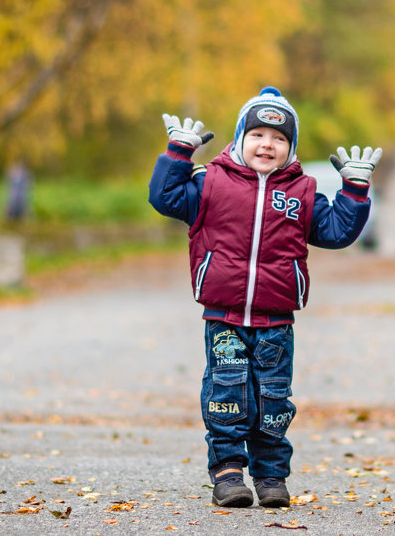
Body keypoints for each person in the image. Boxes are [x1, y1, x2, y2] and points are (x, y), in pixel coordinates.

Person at [148, 86, 381, 509]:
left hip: (276, 318)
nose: (267, 145)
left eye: (279, 139)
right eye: (257, 135)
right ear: (240, 138)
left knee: (273, 397)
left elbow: (335, 232)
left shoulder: (302, 191)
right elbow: (164, 198)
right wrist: (178, 155)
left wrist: (354, 190)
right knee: (227, 391)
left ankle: (272, 476)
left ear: (291, 148)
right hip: (225, 315)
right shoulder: (209, 182)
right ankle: (228, 474)